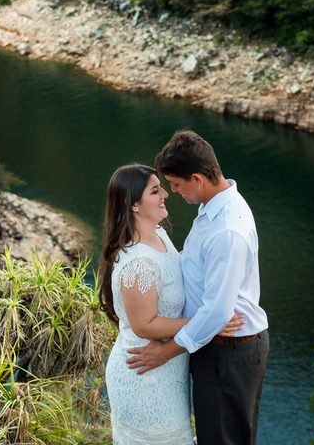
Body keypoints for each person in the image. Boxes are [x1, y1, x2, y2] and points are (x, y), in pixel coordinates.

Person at [127, 130, 269, 445]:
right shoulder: (213, 208)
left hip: (228, 352)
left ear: (197, 178)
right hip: (216, 348)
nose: (173, 192)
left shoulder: (227, 230)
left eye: (176, 185)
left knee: (222, 440)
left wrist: (165, 352)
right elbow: (193, 263)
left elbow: (217, 312)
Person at [99, 163, 243, 445]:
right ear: (134, 205)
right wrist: (208, 324)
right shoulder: (138, 263)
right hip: (143, 375)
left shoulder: (159, 235)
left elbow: (172, 274)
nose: (165, 193)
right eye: (155, 190)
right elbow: (144, 324)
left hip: (166, 371)